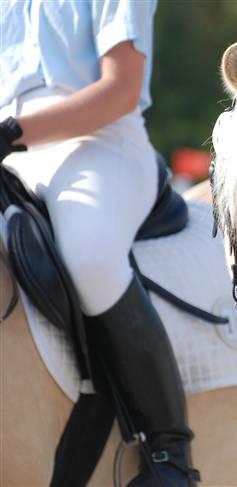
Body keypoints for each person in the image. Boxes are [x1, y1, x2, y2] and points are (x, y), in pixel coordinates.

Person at [0, 1, 197, 485]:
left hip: (99, 144)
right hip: (13, 155)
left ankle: (167, 451)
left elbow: (121, 89)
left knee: (88, 255)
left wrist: (13, 132)